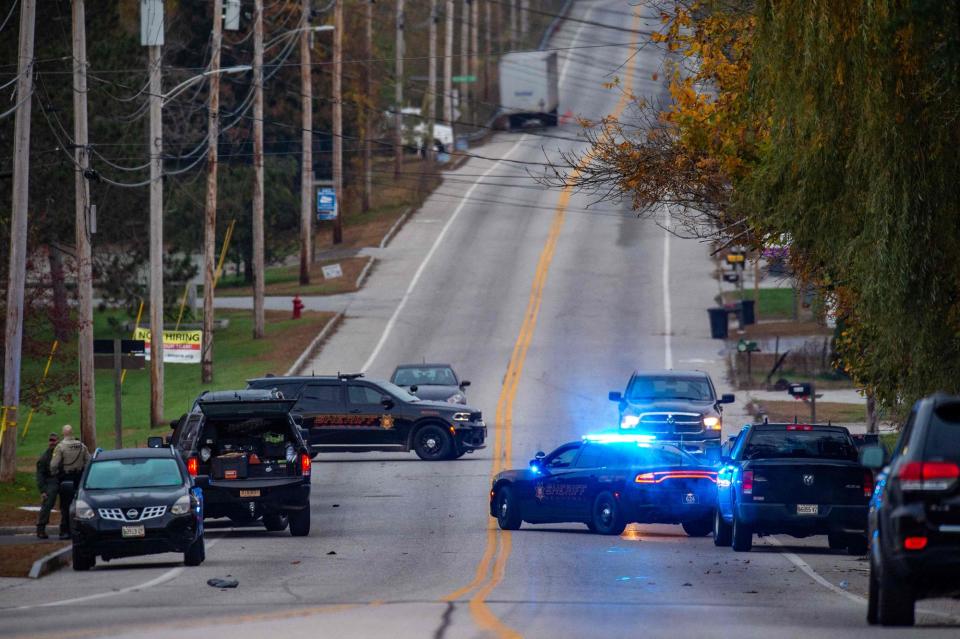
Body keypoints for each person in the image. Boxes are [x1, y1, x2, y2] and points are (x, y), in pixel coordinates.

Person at [50, 424, 91, 540]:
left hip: (66, 479)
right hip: (79, 478)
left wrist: (55, 474)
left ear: (63, 433)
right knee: (80, 505)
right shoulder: (81, 446)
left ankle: (65, 531)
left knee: (65, 505)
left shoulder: (60, 447)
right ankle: (79, 530)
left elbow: (53, 465)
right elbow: (88, 461)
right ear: (72, 432)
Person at [35, 433, 60, 539]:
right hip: (50, 482)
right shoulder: (44, 457)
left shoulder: (61, 452)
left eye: (54, 440)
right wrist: (43, 490)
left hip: (62, 480)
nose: (52, 442)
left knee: (68, 506)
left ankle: (67, 529)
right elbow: (40, 476)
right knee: (47, 505)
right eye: (51, 440)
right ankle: (40, 529)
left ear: (58, 441)